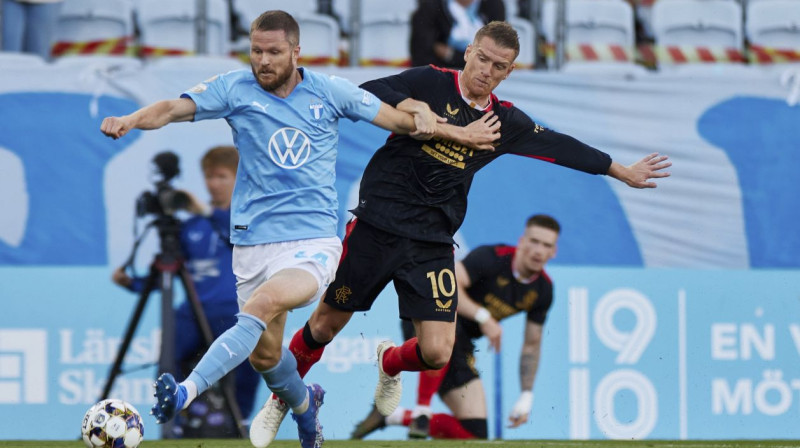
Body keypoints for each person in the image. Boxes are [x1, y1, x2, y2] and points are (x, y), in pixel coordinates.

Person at [252, 19, 670, 444]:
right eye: (482, 57)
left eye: (498, 65)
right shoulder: (429, 82)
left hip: (433, 243)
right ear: (468, 51)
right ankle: (282, 400)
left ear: (509, 72)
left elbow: (561, 147)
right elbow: (369, 93)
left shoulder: (505, 123)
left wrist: (621, 170)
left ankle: (390, 363)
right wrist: (416, 110)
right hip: (377, 226)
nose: (486, 69)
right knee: (323, 326)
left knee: (436, 353)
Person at [100, 10, 496, 448]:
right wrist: (131, 119)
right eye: (256, 51)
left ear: (295, 51)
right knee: (266, 357)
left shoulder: (329, 91)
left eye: (273, 52)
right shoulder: (233, 88)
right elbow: (173, 108)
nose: (263, 61)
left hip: (311, 242)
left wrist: (452, 129)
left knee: (265, 304)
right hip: (252, 242)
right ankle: (307, 408)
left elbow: (402, 123)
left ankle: (185, 391)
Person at [350, 214, 562, 440]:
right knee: (446, 334)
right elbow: (448, 290)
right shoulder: (491, 257)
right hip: (428, 317)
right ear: (522, 241)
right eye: (534, 241)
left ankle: (393, 416)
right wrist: (484, 317)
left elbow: (531, 345)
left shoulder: (543, 290)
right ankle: (423, 410)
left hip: (462, 345)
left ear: (553, 252)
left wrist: (526, 396)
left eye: (546, 245)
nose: (538, 250)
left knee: (475, 434)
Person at [110, 146, 260, 437]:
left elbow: (238, 238)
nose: (213, 183)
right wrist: (132, 283)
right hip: (194, 313)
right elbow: (169, 272)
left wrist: (207, 211)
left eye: (222, 176)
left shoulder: (248, 221)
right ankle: (173, 424)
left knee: (253, 361)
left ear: (238, 179)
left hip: (235, 314)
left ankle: (239, 421)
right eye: (209, 177)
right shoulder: (191, 226)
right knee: (169, 355)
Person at [410, 0, 506, 69]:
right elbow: (422, 55)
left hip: (483, 76)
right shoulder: (429, 7)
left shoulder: (494, 5)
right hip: (441, 76)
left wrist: (451, 55)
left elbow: (497, 53)